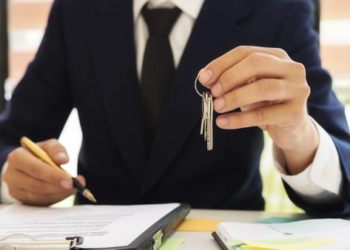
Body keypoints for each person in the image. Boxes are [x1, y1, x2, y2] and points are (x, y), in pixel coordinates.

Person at [0, 0, 349, 217]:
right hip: (97, 238)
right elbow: (11, 139)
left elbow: (342, 167)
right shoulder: (74, 10)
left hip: (222, 234)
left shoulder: (278, 8)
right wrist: (10, 177)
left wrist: (300, 137)